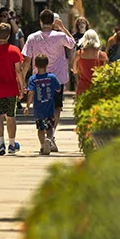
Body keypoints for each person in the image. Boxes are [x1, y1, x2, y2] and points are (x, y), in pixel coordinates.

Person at [21, 9, 76, 151]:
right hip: (56, 79)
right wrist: (63, 28)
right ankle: (51, 136)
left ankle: (44, 138)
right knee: (56, 108)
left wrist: (22, 80)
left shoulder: (32, 37)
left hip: (38, 79)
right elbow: (72, 43)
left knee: (41, 108)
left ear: (40, 21)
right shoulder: (60, 36)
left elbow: (26, 60)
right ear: (53, 22)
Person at [0, 22, 25, 156]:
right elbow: (19, 70)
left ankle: (0, 144)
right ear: (9, 35)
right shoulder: (14, 51)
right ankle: (12, 143)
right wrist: (22, 87)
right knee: (11, 116)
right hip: (11, 89)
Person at [24, 54, 62, 155]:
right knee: (50, 127)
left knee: (40, 128)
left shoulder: (33, 79)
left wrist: (27, 106)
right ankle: (49, 139)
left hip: (38, 109)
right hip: (49, 108)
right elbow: (58, 89)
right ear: (47, 64)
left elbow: (31, 92)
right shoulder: (52, 77)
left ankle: (42, 146)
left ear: (35, 65)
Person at [73, 29, 108, 95]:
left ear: (84, 39)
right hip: (97, 88)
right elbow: (106, 73)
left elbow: (75, 71)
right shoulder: (102, 55)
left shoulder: (79, 54)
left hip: (82, 89)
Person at [68, 16, 89, 91]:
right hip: (78, 59)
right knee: (78, 78)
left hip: (88, 59)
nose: (81, 25)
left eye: (83, 23)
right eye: (79, 23)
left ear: (86, 24)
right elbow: (71, 50)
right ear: (77, 25)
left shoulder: (89, 35)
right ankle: (79, 93)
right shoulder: (74, 36)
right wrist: (71, 62)